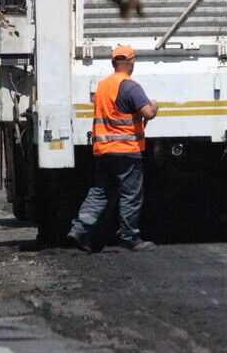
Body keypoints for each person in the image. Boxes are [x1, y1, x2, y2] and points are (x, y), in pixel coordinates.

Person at [68, 45, 159, 251]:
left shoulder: (102, 86)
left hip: (103, 150)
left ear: (113, 63)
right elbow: (148, 113)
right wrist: (155, 106)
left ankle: (79, 230)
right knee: (131, 195)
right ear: (131, 61)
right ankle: (129, 237)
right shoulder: (130, 87)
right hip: (126, 150)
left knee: (99, 192)